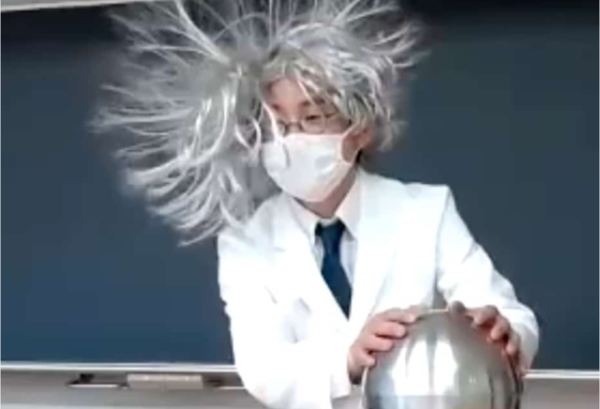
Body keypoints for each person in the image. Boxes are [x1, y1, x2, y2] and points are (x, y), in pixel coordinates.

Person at [95, 1, 540, 408]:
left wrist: (504, 333)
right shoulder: (246, 242)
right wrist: (348, 357)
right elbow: (263, 369)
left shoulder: (426, 210)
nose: (291, 140)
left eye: (312, 118)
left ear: (360, 128)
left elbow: (511, 316)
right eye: (277, 124)